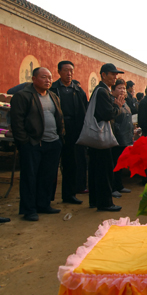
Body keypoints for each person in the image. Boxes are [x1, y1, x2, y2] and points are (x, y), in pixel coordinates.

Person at [11, 67, 64, 221]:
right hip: (33, 143)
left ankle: (44, 204)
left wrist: (61, 136)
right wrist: (25, 142)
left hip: (53, 142)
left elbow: (58, 117)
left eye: (50, 77)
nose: (48, 80)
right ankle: (29, 209)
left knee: (47, 176)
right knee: (30, 177)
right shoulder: (23, 96)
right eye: (44, 77)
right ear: (34, 79)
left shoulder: (53, 96)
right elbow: (17, 122)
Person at [88, 64, 125, 212]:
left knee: (96, 169)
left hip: (97, 138)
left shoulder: (101, 91)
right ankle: (105, 203)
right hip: (101, 137)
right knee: (104, 170)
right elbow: (107, 114)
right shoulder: (102, 92)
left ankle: (95, 200)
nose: (115, 77)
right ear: (103, 75)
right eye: (112, 74)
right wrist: (117, 107)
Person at [50, 60, 88, 203]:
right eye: (66, 70)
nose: (69, 73)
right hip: (56, 131)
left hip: (74, 131)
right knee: (51, 166)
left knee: (71, 164)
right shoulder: (53, 90)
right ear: (59, 72)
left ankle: (69, 194)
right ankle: (47, 198)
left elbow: (84, 111)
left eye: (71, 70)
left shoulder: (78, 91)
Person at [110, 79, 133, 196]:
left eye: (124, 88)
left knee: (121, 163)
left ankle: (119, 186)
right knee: (114, 164)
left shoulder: (125, 102)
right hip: (116, 139)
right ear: (112, 90)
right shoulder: (112, 102)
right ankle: (113, 188)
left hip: (126, 138)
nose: (123, 90)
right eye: (119, 88)